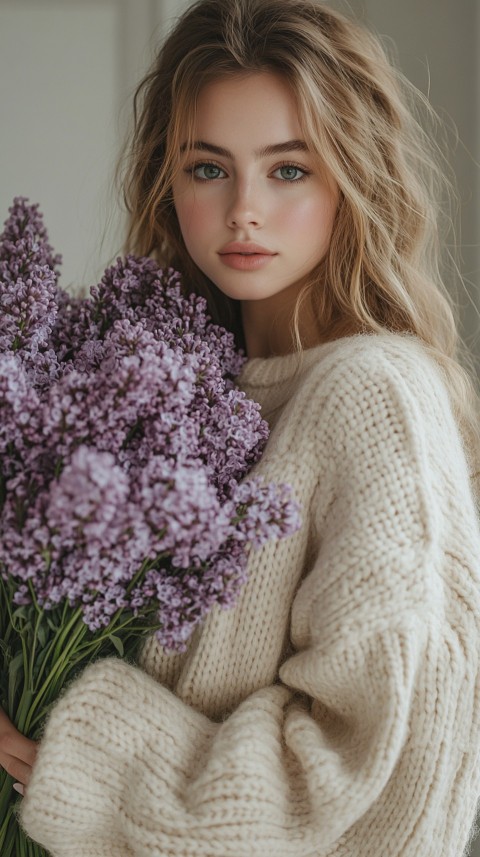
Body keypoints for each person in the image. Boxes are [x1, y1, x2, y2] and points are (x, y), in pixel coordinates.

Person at [1, 0, 480, 854]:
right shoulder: (167, 396)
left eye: (289, 170)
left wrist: (87, 763)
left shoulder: (371, 394)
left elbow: (382, 767)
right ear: (166, 179)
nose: (244, 210)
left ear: (352, 176)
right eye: (209, 168)